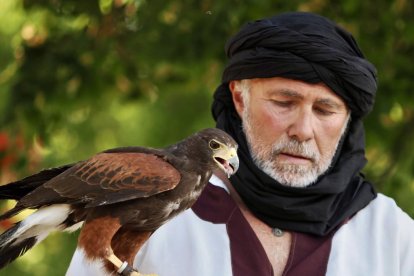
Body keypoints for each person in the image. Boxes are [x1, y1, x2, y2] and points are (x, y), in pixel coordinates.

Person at [66, 12, 414, 276]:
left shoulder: (391, 235)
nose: (303, 130)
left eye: (325, 109)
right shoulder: (143, 207)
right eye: (284, 103)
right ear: (239, 98)